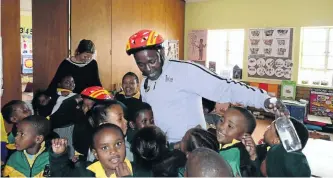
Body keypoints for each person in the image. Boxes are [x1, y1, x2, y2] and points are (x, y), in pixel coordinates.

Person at [126, 29, 289, 143]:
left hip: (192, 145)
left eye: (151, 61)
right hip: (163, 145)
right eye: (141, 64)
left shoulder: (185, 70)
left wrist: (265, 100)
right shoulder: (146, 81)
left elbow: (226, 87)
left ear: (161, 52)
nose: (147, 69)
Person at [49, 86, 113, 157]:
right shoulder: (81, 114)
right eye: (85, 105)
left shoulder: (105, 121)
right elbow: (54, 119)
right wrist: (75, 100)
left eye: (91, 105)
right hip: (77, 153)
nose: (87, 108)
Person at [50, 124, 132, 177]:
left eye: (118, 144)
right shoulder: (85, 172)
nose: (113, 151)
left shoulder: (139, 172)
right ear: (95, 154)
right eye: (105, 148)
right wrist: (58, 156)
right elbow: (61, 175)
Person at [217, 106, 257, 177]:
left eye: (230, 126)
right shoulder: (223, 143)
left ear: (243, 136)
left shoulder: (232, 158)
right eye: (222, 120)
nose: (221, 126)